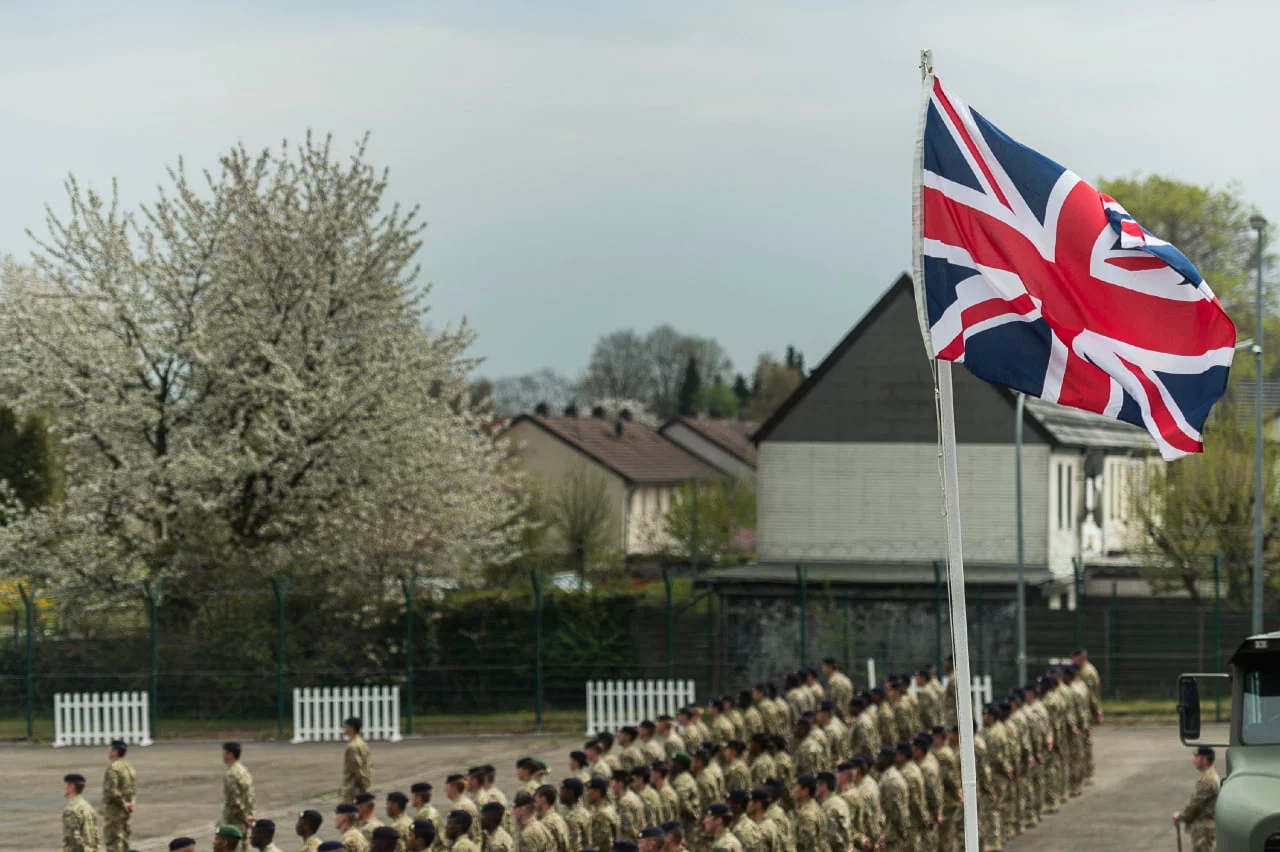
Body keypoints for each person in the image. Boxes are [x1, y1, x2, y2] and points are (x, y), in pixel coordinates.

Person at [1174, 746, 1219, 852]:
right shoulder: (1209, 776)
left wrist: (1180, 816)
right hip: (1205, 830)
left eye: (1197, 757)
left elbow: (1195, 804)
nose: (1194, 761)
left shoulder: (1207, 779)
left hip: (1204, 831)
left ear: (1204, 759)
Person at [102, 739, 138, 852]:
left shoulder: (113, 768)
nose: (108, 751)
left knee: (113, 841)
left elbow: (111, 790)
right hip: (126, 810)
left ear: (115, 751)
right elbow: (132, 789)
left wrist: (124, 804)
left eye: (110, 749)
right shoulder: (128, 767)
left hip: (115, 810)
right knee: (125, 839)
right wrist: (131, 803)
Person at [875, 748, 910, 852]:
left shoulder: (891, 781)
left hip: (891, 836)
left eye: (880, 758)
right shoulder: (889, 776)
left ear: (886, 760)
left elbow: (896, 812)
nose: (877, 760)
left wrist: (901, 830)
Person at [62, 772, 102, 852]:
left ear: (72, 787)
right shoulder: (88, 807)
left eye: (65, 785)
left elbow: (73, 838)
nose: (63, 787)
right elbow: (95, 834)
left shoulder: (70, 810)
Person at [222, 742, 256, 835]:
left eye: (224, 752)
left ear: (230, 754)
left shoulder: (230, 774)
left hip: (235, 820)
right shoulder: (243, 770)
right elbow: (251, 794)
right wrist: (250, 815)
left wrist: (244, 817)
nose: (222, 755)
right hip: (246, 817)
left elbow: (234, 800)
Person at [815, 771, 852, 852]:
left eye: (817, 784)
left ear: (824, 786)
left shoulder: (829, 807)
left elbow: (831, 836)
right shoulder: (839, 801)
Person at [790, 774, 824, 852]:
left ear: (805, 791)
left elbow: (807, 846)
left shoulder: (807, 815)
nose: (794, 790)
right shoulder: (815, 806)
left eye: (796, 786)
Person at [343, 717, 373, 803]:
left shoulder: (352, 747)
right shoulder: (362, 743)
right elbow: (368, 765)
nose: (344, 729)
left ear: (351, 728)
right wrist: (368, 783)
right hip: (362, 783)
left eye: (345, 726)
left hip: (354, 786)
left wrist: (365, 786)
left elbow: (356, 769)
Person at [587, 778, 621, 851]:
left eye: (589, 790)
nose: (587, 794)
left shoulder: (601, 815)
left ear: (597, 792)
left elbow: (599, 844)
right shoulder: (609, 808)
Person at [535, 784, 571, 852]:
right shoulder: (559, 819)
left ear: (543, 799)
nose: (534, 801)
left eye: (536, 798)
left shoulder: (545, 823)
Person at [559, 778, 593, 851]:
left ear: (571, 793)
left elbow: (587, 841)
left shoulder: (581, 815)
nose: (560, 794)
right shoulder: (561, 811)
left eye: (563, 791)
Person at [611, 771, 645, 841]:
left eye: (612, 782)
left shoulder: (624, 802)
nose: (611, 786)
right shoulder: (633, 796)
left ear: (620, 784)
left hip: (628, 843)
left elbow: (626, 827)